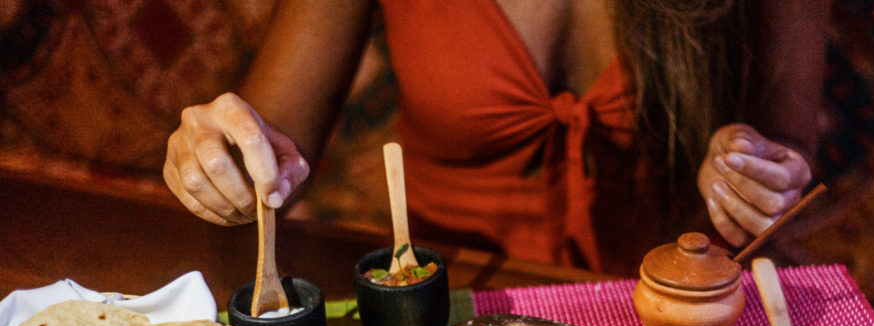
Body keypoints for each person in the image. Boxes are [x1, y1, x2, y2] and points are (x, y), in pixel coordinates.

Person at [163, 0, 830, 276]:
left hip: (673, 320)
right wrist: (220, 157)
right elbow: (267, 151)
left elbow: (789, 149)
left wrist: (759, 175)